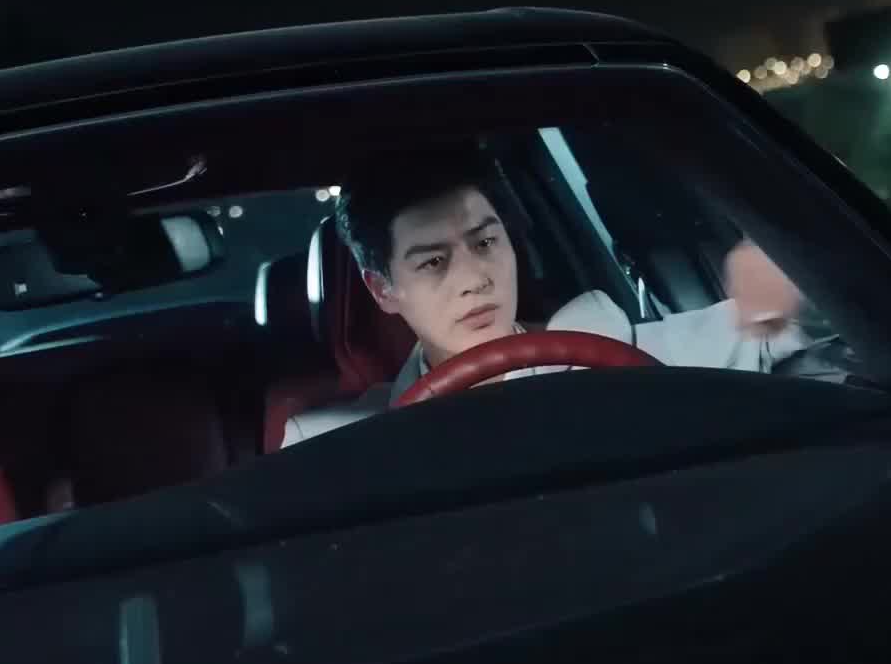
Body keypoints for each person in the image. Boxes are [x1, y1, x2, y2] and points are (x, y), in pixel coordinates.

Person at [281, 143, 810, 447]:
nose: (476, 278)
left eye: (485, 242)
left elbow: (818, 320)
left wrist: (783, 271)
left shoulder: (628, 352)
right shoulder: (335, 441)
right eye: (434, 262)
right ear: (383, 289)